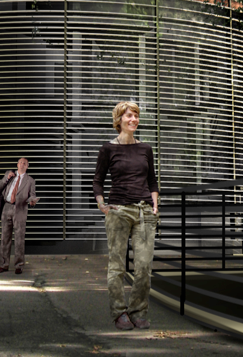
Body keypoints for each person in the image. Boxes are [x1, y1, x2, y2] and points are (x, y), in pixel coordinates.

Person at [93, 101, 159, 331]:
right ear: (119, 120)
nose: (134, 119)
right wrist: (103, 205)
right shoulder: (108, 149)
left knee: (143, 266)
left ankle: (138, 311)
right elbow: (98, 180)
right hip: (118, 211)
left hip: (144, 212)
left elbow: (152, 180)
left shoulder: (146, 149)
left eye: (136, 116)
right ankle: (119, 312)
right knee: (117, 265)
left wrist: (155, 206)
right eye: (129, 116)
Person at [0, 157, 38, 275]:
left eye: (24, 163)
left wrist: (32, 201)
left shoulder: (30, 180)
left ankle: (19, 265)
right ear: (17, 164)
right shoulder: (9, 174)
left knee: (19, 239)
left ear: (27, 166)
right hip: (7, 207)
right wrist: (6, 178)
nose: (22, 165)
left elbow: (32, 195)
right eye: (20, 163)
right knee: (5, 238)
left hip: (20, 209)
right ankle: (3, 265)